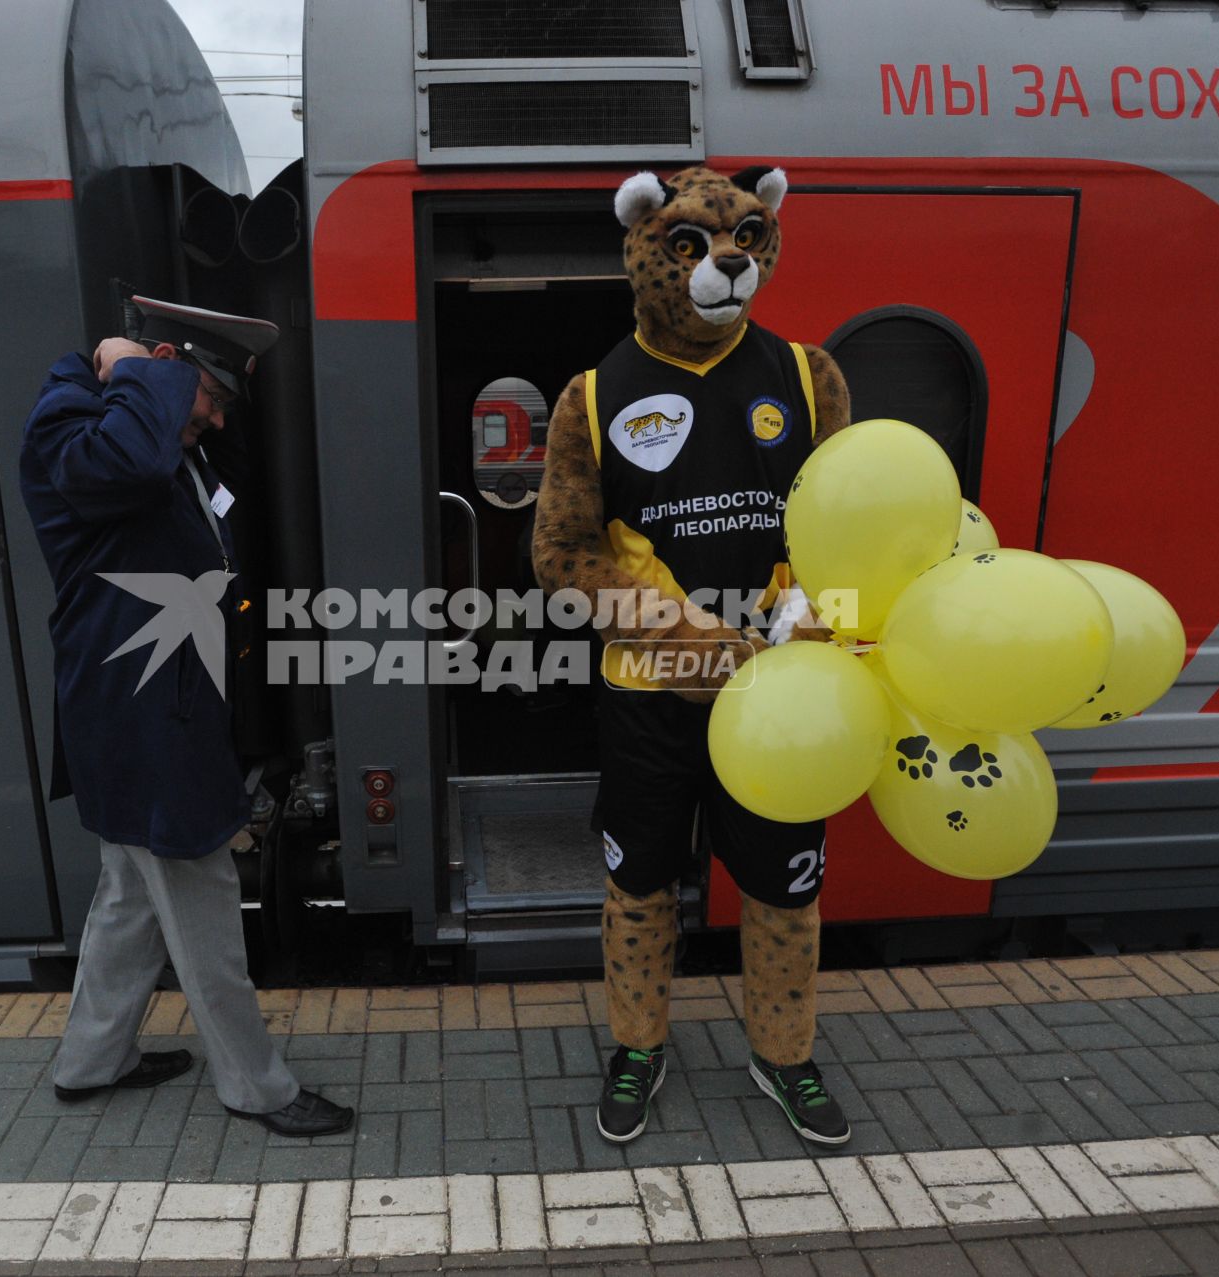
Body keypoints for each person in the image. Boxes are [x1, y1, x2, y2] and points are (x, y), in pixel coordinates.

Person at [532, 166, 853, 1147]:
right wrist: (689, 639)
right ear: (648, 250)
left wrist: (827, 607)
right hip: (651, 698)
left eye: (747, 242)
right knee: (639, 889)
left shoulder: (809, 376)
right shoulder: (593, 397)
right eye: (694, 247)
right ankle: (638, 1043)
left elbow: (857, 523)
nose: (727, 263)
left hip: (782, 694)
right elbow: (564, 555)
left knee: (785, 889)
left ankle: (784, 1050)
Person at [19, 296, 352, 1137]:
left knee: (130, 894)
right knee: (203, 907)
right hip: (141, 726)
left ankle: (92, 1061)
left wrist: (160, 384)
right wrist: (137, 367)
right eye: (208, 394)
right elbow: (129, 467)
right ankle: (260, 1089)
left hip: (150, 713)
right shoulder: (80, 426)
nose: (212, 416)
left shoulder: (158, 430)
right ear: (161, 362)